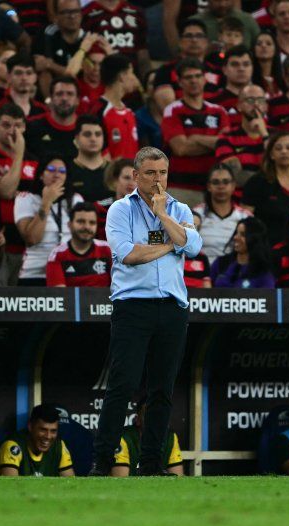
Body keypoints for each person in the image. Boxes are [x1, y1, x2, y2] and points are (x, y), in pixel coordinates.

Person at [90, 147, 202, 477]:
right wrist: (172, 243)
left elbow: (194, 248)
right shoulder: (119, 211)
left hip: (172, 309)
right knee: (122, 386)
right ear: (135, 176)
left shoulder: (178, 208)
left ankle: (151, 464)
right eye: (151, 173)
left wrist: (164, 215)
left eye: (163, 173)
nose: (158, 179)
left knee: (162, 390)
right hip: (132, 307)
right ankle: (103, 462)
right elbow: (128, 254)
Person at [161, 58, 230, 207]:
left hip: (212, 189)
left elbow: (225, 145)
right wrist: (213, 142)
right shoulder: (172, 110)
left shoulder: (219, 111)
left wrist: (195, 138)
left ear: (204, 79)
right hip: (181, 189)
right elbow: (181, 148)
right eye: (188, 77)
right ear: (180, 82)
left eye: (198, 76)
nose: (194, 81)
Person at [0, 104, 36, 287]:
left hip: (29, 246)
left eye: (18, 126)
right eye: (6, 125)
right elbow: (5, 191)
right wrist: (19, 153)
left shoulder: (35, 160)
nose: (12, 131)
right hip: (0, 246)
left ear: (25, 127)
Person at [15, 155, 84, 285]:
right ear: (41, 174)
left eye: (62, 171)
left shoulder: (76, 199)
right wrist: (46, 202)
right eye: (51, 169)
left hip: (69, 271)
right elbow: (32, 239)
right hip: (35, 273)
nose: (57, 174)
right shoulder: (26, 198)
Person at [242, 131, 289, 246]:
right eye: (278, 148)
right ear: (271, 154)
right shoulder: (256, 182)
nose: (284, 151)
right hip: (267, 248)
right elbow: (245, 221)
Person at [0, 404, 75, 476]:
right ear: (30, 426)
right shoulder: (13, 446)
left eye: (53, 431)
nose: (48, 436)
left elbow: (70, 483)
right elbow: (11, 485)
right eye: (43, 430)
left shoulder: (59, 446)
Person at [192, 164, 252, 263]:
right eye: (216, 182)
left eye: (226, 182)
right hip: (201, 274)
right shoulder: (196, 214)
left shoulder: (246, 217)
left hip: (234, 275)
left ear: (233, 186)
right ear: (209, 186)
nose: (221, 186)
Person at [215, 84, 271, 185]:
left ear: (266, 107)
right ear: (239, 106)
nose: (256, 104)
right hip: (238, 199)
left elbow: (286, 170)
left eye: (261, 100)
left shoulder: (279, 135)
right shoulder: (226, 138)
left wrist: (264, 135)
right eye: (250, 100)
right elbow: (233, 177)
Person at [111, 399, 184, 476]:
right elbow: (120, 479)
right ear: (137, 420)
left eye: (158, 415)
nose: (154, 420)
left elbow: (177, 477)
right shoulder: (123, 437)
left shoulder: (170, 437)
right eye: (148, 415)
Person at [46, 203, 113, 286]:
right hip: (70, 299)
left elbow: (120, 287)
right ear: (69, 225)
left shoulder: (108, 250)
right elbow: (60, 295)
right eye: (81, 222)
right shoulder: (57, 255)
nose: (87, 227)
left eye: (92, 223)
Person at [82, 0, 151, 80]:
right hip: (102, 80)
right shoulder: (86, 14)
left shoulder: (137, 13)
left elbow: (143, 55)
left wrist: (146, 81)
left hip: (132, 79)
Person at [32, 0, 86, 96]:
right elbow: (39, 65)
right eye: (66, 12)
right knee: (44, 73)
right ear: (56, 16)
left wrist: (51, 65)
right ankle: (51, 105)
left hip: (83, 90)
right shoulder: (46, 34)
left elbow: (87, 73)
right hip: (55, 91)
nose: (72, 16)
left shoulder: (88, 39)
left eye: (75, 11)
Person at [91, 54, 139, 160]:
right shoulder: (99, 111)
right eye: (132, 73)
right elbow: (98, 151)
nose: (134, 79)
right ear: (122, 76)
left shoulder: (129, 112)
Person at [210, 217, 276, 288]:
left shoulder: (263, 272)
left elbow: (268, 297)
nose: (235, 237)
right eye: (236, 233)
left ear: (255, 239)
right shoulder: (221, 263)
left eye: (243, 234)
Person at [25, 77, 81, 161]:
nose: (64, 98)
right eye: (59, 94)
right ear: (51, 99)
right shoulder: (31, 126)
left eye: (70, 94)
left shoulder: (87, 128)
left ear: (77, 100)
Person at [209, 45, 255, 129]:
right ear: (224, 70)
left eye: (246, 64)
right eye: (235, 64)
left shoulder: (262, 101)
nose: (241, 68)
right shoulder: (213, 104)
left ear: (252, 68)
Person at [70, 115, 110, 202]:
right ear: (77, 138)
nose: (93, 139)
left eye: (98, 134)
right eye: (87, 134)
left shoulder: (114, 170)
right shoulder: (67, 170)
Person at [192, 0, 261, 50]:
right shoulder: (194, 23)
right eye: (217, 0)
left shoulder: (247, 21)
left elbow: (260, 47)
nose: (222, 4)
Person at [95, 159, 135, 239]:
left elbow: (156, 244)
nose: (131, 183)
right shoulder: (100, 208)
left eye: (135, 179)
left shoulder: (149, 210)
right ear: (115, 180)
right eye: (126, 178)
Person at [252, 31, 287, 97]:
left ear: (275, 50)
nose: (263, 46)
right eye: (259, 44)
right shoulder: (249, 80)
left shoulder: (283, 81)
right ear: (254, 49)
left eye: (268, 44)